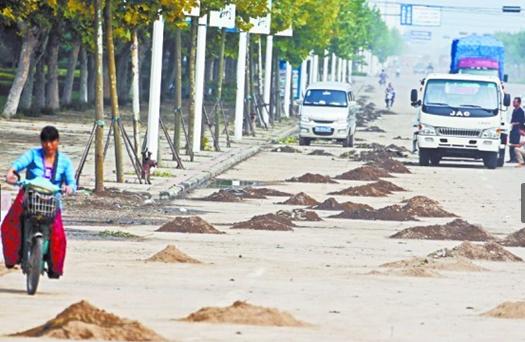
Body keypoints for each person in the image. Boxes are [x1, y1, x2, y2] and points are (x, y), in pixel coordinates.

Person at [2, 126, 76, 278]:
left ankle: (55, 268)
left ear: (57, 142)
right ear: (41, 142)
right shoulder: (32, 154)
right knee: (9, 224)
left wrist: (69, 188)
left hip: (51, 201)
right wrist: (11, 173)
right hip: (29, 197)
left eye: (52, 141)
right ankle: (12, 258)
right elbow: (17, 165)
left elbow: (72, 183)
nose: (48, 145)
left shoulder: (65, 161)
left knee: (59, 235)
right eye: (45, 141)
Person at [508, 97, 525, 163]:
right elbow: (512, 120)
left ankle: (515, 158)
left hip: (517, 130)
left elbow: (521, 121)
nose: (513, 103)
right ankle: (511, 158)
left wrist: (514, 123)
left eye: (515, 102)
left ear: (519, 103)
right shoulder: (514, 110)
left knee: (515, 143)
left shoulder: (521, 111)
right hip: (512, 129)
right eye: (513, 102)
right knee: (511, 142)